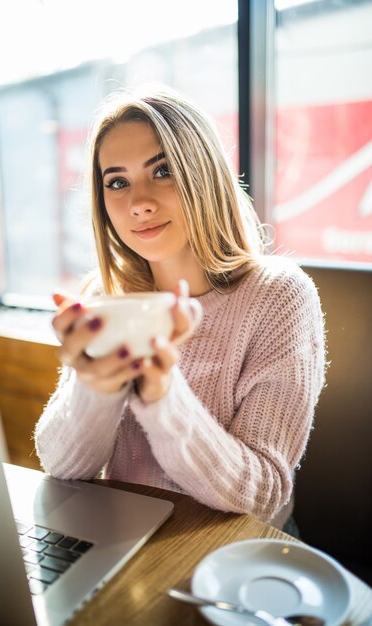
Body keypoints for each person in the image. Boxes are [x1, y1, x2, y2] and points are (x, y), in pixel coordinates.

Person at [34, 84, 325, 531]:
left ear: (203, 174)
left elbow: (264, 496)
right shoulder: (104, 297)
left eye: (163, 170)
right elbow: (62, 466)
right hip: (125, 540)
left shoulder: (279, 296)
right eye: (117, 182)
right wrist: (95, 388)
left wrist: (162, 396)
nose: (140, 203)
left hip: (229, 557)